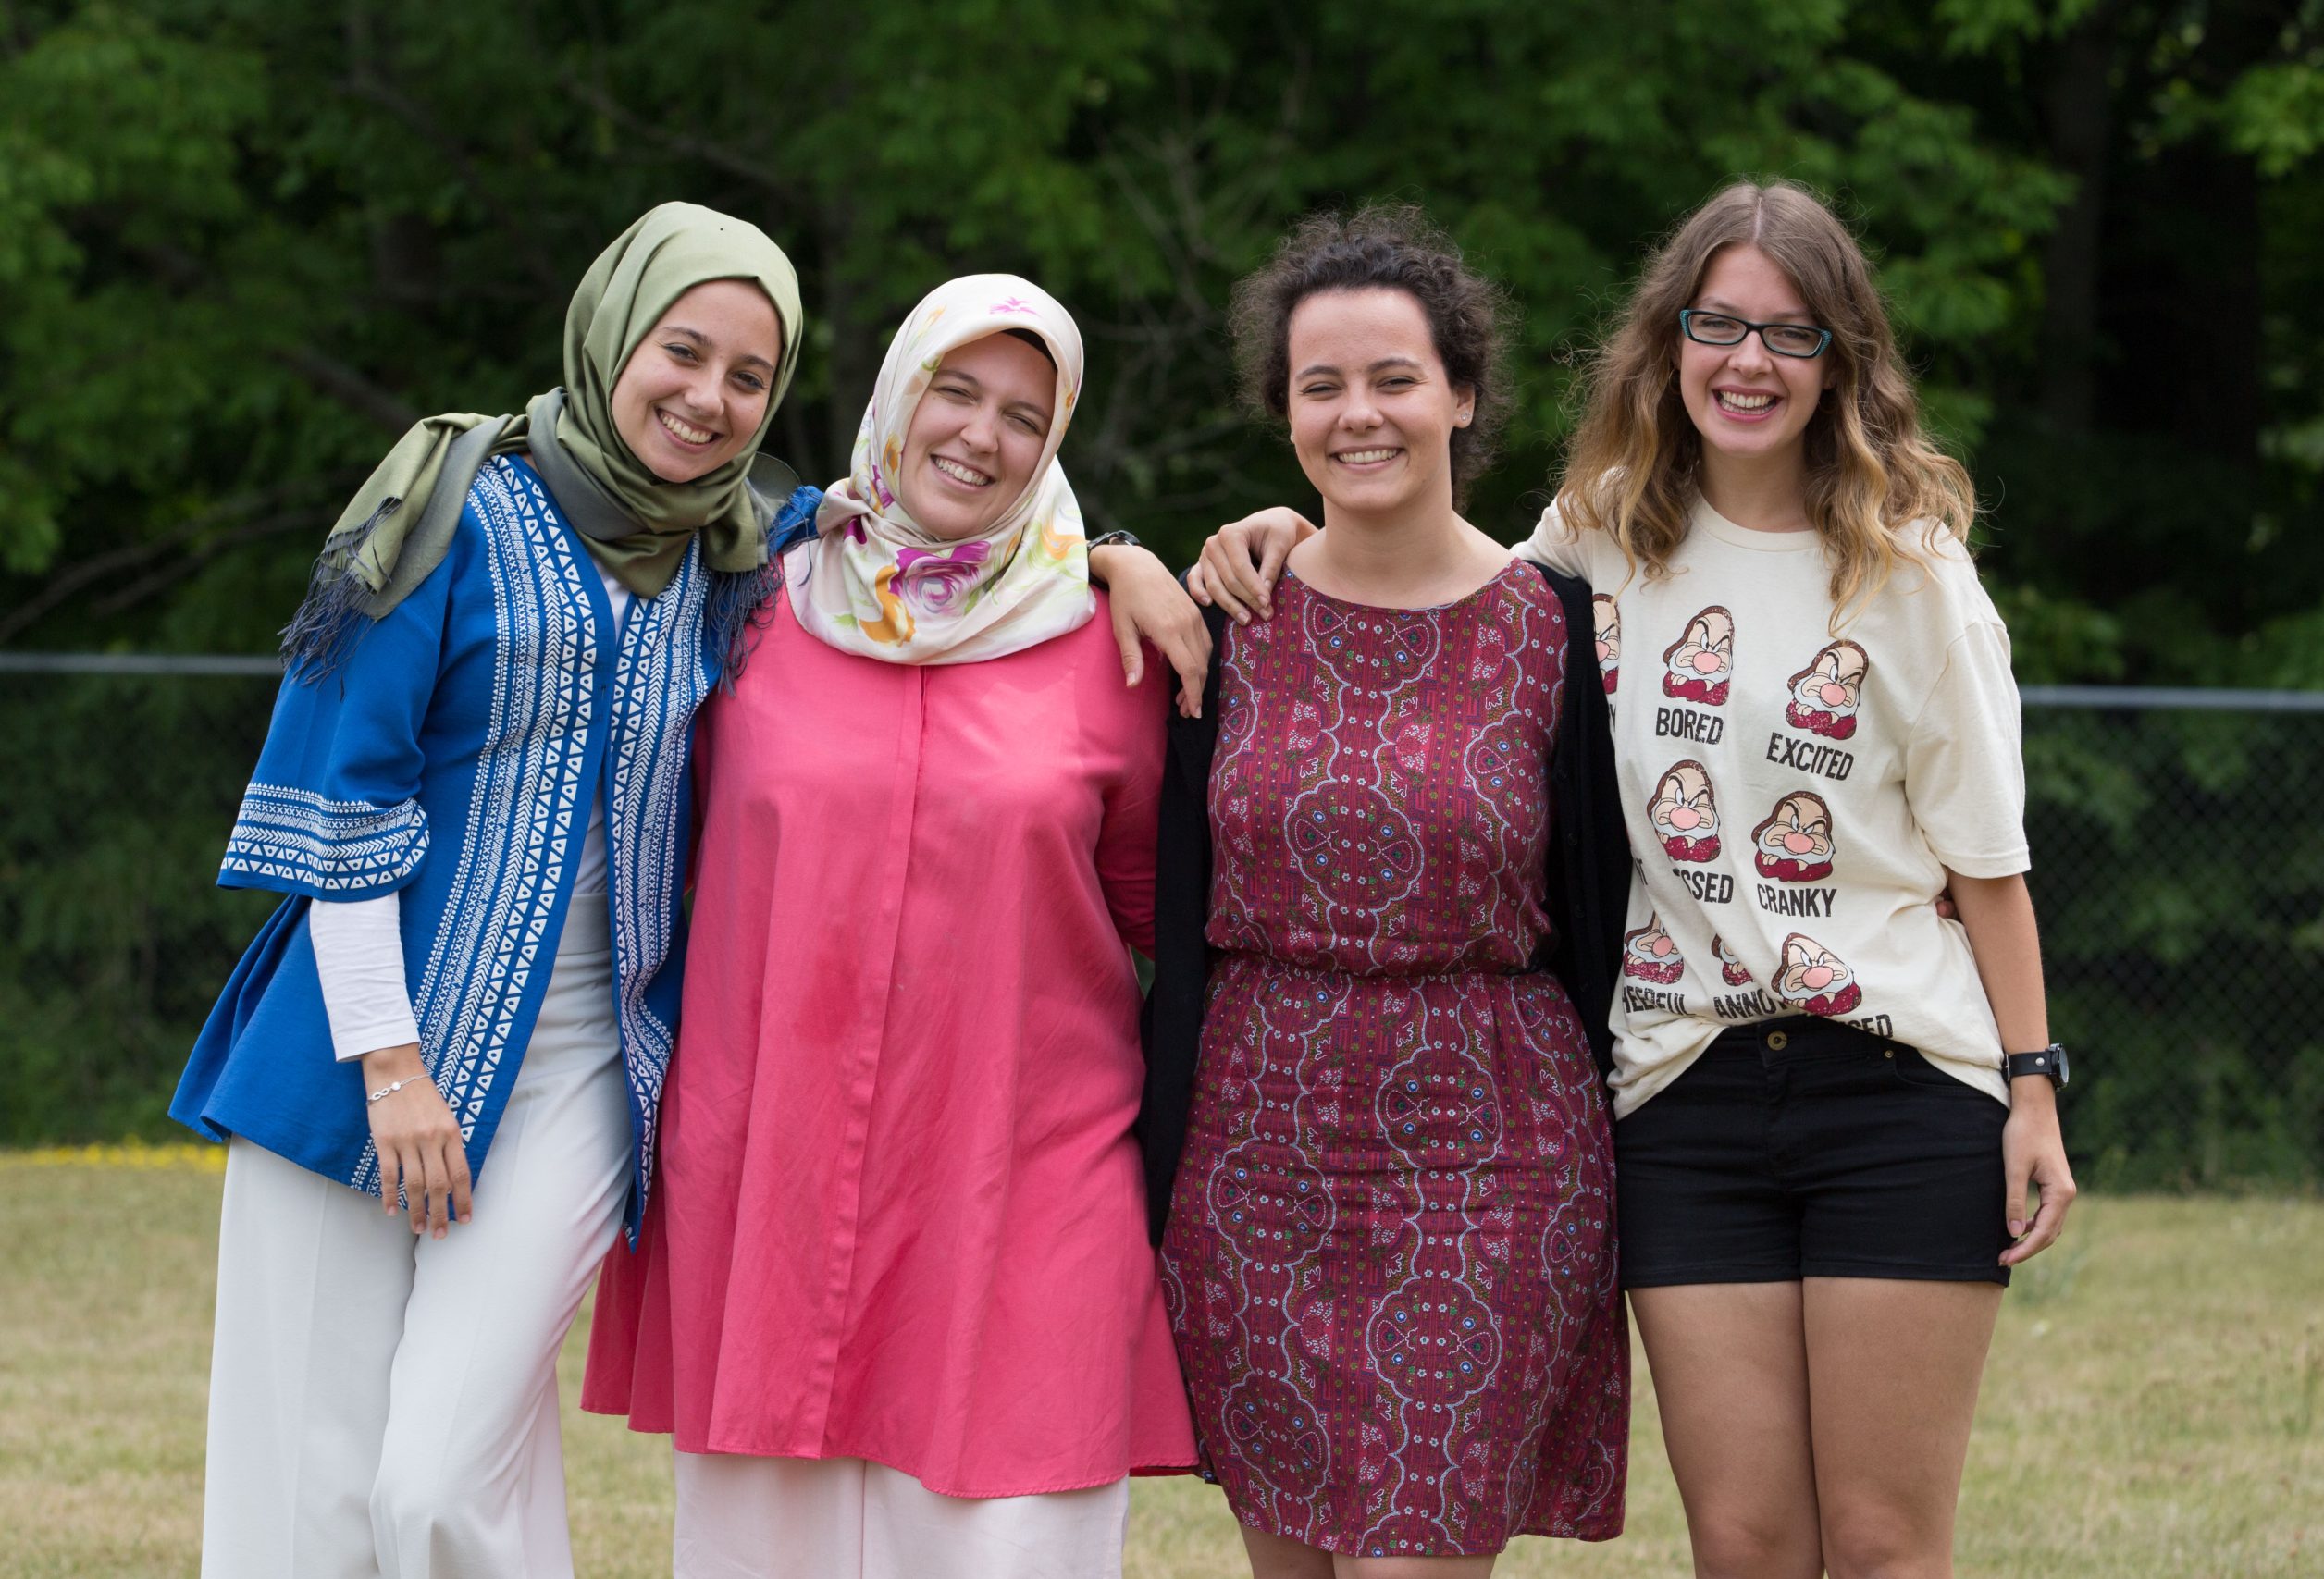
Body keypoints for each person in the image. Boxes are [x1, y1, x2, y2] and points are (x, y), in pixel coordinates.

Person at [1190, 179, 2077, 1579]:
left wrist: (2035, 1083)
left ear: (1841, 361)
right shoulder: (1595, 542)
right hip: (1681, 1085)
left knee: (1887, 1540)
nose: (1749, 362)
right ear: (1668, 343)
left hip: (1898, 1082)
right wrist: (1269, 536)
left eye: (1790, 335)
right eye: (1717, 324)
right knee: (1743, 1540)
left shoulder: (1914, 573)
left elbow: (1991, 867)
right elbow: (1419, 571)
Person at [171, 202, 805, 1578]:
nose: (706, 399)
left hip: (583, 1065)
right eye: (680, 351)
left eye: (747, 378)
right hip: (363, 1045)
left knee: (449, 1479)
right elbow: (346, 793)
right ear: (609, 335)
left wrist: (1119, 558)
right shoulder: (447, 504)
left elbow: (956, 536)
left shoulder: (755, 552)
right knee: (300, 1498)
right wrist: (391, 1064)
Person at [582, 273, 1199, 1579]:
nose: (981, 435)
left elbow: (1174, 916)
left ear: (1058, 443)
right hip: (774, 1180)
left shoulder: (1115, 644)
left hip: (1024, 1182)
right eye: (955, 393)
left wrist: (1133, 555)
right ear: (895, 399)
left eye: (1025, 416)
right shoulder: (752, 605)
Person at [1143, 207, 1631, 1578]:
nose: (1360, 414)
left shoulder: (1561, 624)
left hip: (1491, 1155)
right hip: (1253, 1153)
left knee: (1414, 1557)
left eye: (1394, 378)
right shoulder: (1225, 615)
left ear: (1463, 395)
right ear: (1285, 414)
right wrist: (1123, 544)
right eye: (1322, 386)